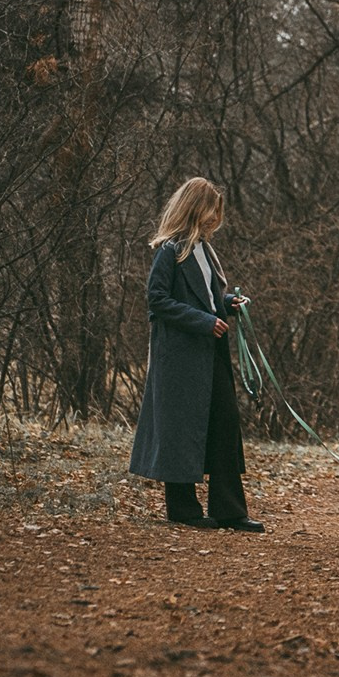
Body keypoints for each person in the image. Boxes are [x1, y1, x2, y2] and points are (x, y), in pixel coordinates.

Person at [129, 177, 263, 532]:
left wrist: (227, 304)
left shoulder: (206, 251)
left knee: (225, 425)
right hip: (179, 358)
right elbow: (157, 301)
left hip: (209, 352)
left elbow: (205, 298)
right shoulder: (169, 251)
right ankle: (182, 509)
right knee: (179, 428)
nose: (212, 220)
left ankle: (230, 510)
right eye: (209, 212)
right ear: (193, 208)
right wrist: (204, 321)